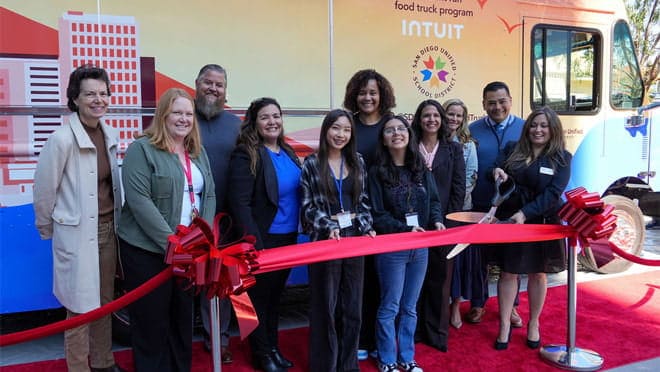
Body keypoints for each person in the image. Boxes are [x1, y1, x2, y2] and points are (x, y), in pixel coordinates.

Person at [33, 65, 124, 372]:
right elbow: (45, 189)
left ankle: (103, 362)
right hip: (76, 233)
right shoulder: (61, 139)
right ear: (75, 98)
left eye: (103, 93)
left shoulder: (109, 134)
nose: (98, 100)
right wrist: (48, 229)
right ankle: (78, 367)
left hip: (108, 230)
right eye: (90, 94)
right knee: (78, 306)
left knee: (105, 301)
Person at [118, 88, 216, 371]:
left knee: (182, 320)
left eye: (188, 114)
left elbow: (208, 195)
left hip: (189, 252)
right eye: (177, 112)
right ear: (163, 115)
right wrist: (175, 246)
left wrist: (203, 238)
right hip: (148, 253)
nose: (183, 119)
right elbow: (139, 202)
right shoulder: (142, 149)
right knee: (151, 324)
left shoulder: (197, 151)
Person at [228, 97, 301, 372]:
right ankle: (261, 354)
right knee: (256, 301)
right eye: (265, 117)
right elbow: (240, 202)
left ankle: (272, 348)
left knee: (274, 299)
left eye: (276, 116)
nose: (272, 122)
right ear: (254, 122)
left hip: (288, 238)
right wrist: (253, 243)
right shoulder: (246, 153)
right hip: (262, 240)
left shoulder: (288, 151)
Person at [300, 109, 376, 372]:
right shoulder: (311, 163)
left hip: (355, 240)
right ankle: (324, 365)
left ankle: (348, 364)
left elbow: (364, 202)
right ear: (325, 131)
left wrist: (366, 227)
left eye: (346, 129)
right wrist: (330, 225)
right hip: (324, 242)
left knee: (352, 305)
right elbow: (308, 207)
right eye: (335, 128)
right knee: (325, 306)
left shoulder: (358, 161)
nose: (340, 134)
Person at [368, 115, 445, 372]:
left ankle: (407, 358)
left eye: (401, 128)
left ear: (409, 134)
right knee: (390, 306)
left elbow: (434, 201)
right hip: (392, 248)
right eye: (390, 130)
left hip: (420, 246)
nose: (396, 133)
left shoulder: (420, 168)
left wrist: (436, 221)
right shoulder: (377, 172)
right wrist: (405, 228)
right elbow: (377, 215)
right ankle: (387, 358)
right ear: (384, 139)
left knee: (410, 307)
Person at [491, 106, 571, 350]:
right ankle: (504, 324)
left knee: (539, 273)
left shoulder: (563, 158)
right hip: (511, 221)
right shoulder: (512, 149)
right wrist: (496, 172)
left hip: (542, 222)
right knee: (508, 272)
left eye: (544, 126)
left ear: (553, 130)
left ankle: (534, 323)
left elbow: (553, 194)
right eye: (534, 125)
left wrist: (525, 213)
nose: (538, 130)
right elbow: (494, 170)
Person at [342, 69, 396, 360]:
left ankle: (380, 340)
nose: (367, 97)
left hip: (386, 213)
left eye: (372, 92)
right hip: (356, 213)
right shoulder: (347, 124)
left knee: (383, 279)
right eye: (362, 92)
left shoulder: (393, 124)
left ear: (382, 94)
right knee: (357, 280)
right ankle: (360, 339)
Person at [467, 81, 525, 326]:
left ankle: (511, 307)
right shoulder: (472, 129)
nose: (497, 107)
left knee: (511, 261)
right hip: (481, 203)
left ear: (510, 100)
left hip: (513, 207)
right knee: (479, 259)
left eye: (502, 101)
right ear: (483, 104)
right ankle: (478, 304)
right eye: (491, 103)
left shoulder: (525, 128)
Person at [194, 63, 241, 364]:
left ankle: (218, 338)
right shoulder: (182, 117)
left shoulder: (236, 125)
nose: (213, 88)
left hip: (227, 218)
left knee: (220, 282)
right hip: (190, 219)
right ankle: (179, 338)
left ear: (226, 91)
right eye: (208, 83)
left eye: (219, 84)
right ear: (196, 84)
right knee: (188, 280)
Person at [411, 100, 465, 352]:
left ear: (442, 119)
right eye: (426, 115)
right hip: (414, 228)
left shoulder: (454, 150)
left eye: (435, 115)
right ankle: (417, 330)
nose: (431, 119)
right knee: (415, 281)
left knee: (440, 280)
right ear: (418, 119)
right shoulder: (410, 147)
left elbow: (458, 190)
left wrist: (446, 220)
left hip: (444, 226)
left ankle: (437, 333)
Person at [442, 98, 479, 329]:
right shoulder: (433, 139)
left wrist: (452, 205)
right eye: (450, 114)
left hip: (460, 211)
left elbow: (470, 178)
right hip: (436, 213)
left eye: (459, 115)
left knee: (457, 262)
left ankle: (455, 306)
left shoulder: (468, 145)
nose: (454, 119)